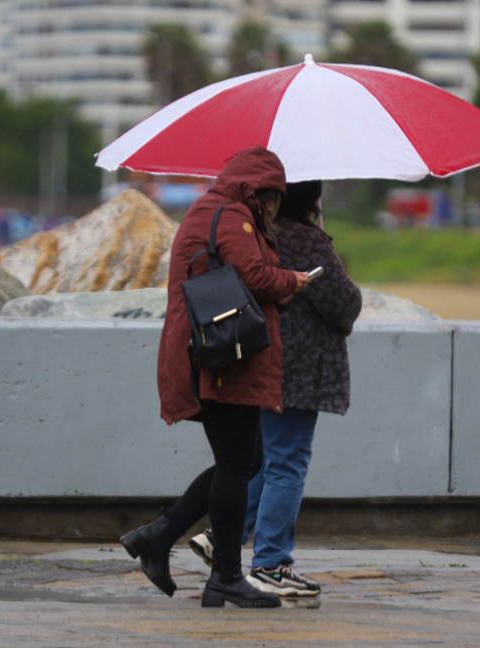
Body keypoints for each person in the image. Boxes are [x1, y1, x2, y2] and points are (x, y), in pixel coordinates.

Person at [119, 146, 312, 609]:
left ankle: (159, 537)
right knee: (237, 463)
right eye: (273, 198)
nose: (273, 208)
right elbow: (254, 274)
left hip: (212, 354)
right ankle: (223, 573)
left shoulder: (217, 209)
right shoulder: (231, 214)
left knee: (244, 458)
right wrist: (292, 282)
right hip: (217, 359)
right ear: (260, 189)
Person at [187, 180, 362, 598]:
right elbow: (343, 302)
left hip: (263, 362)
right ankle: (271, 564)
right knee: (288, 463)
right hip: (301, 372)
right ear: (310, 200)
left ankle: (222, 535)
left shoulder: (260, 233)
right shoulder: (306, 239)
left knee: (265, 460)